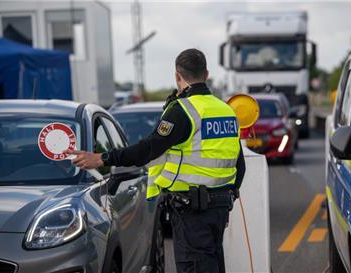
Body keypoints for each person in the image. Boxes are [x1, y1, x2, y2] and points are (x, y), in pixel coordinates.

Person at [66, 48, 246, 273]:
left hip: (193, 210)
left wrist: (102, 157)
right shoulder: (227, 111)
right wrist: (229, 194)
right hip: (219, 207)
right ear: (206, 74)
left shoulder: (183, 110)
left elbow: (147, 149)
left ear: (177, 76)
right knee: (212, 263)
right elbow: (240, 165)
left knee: (196, 266)